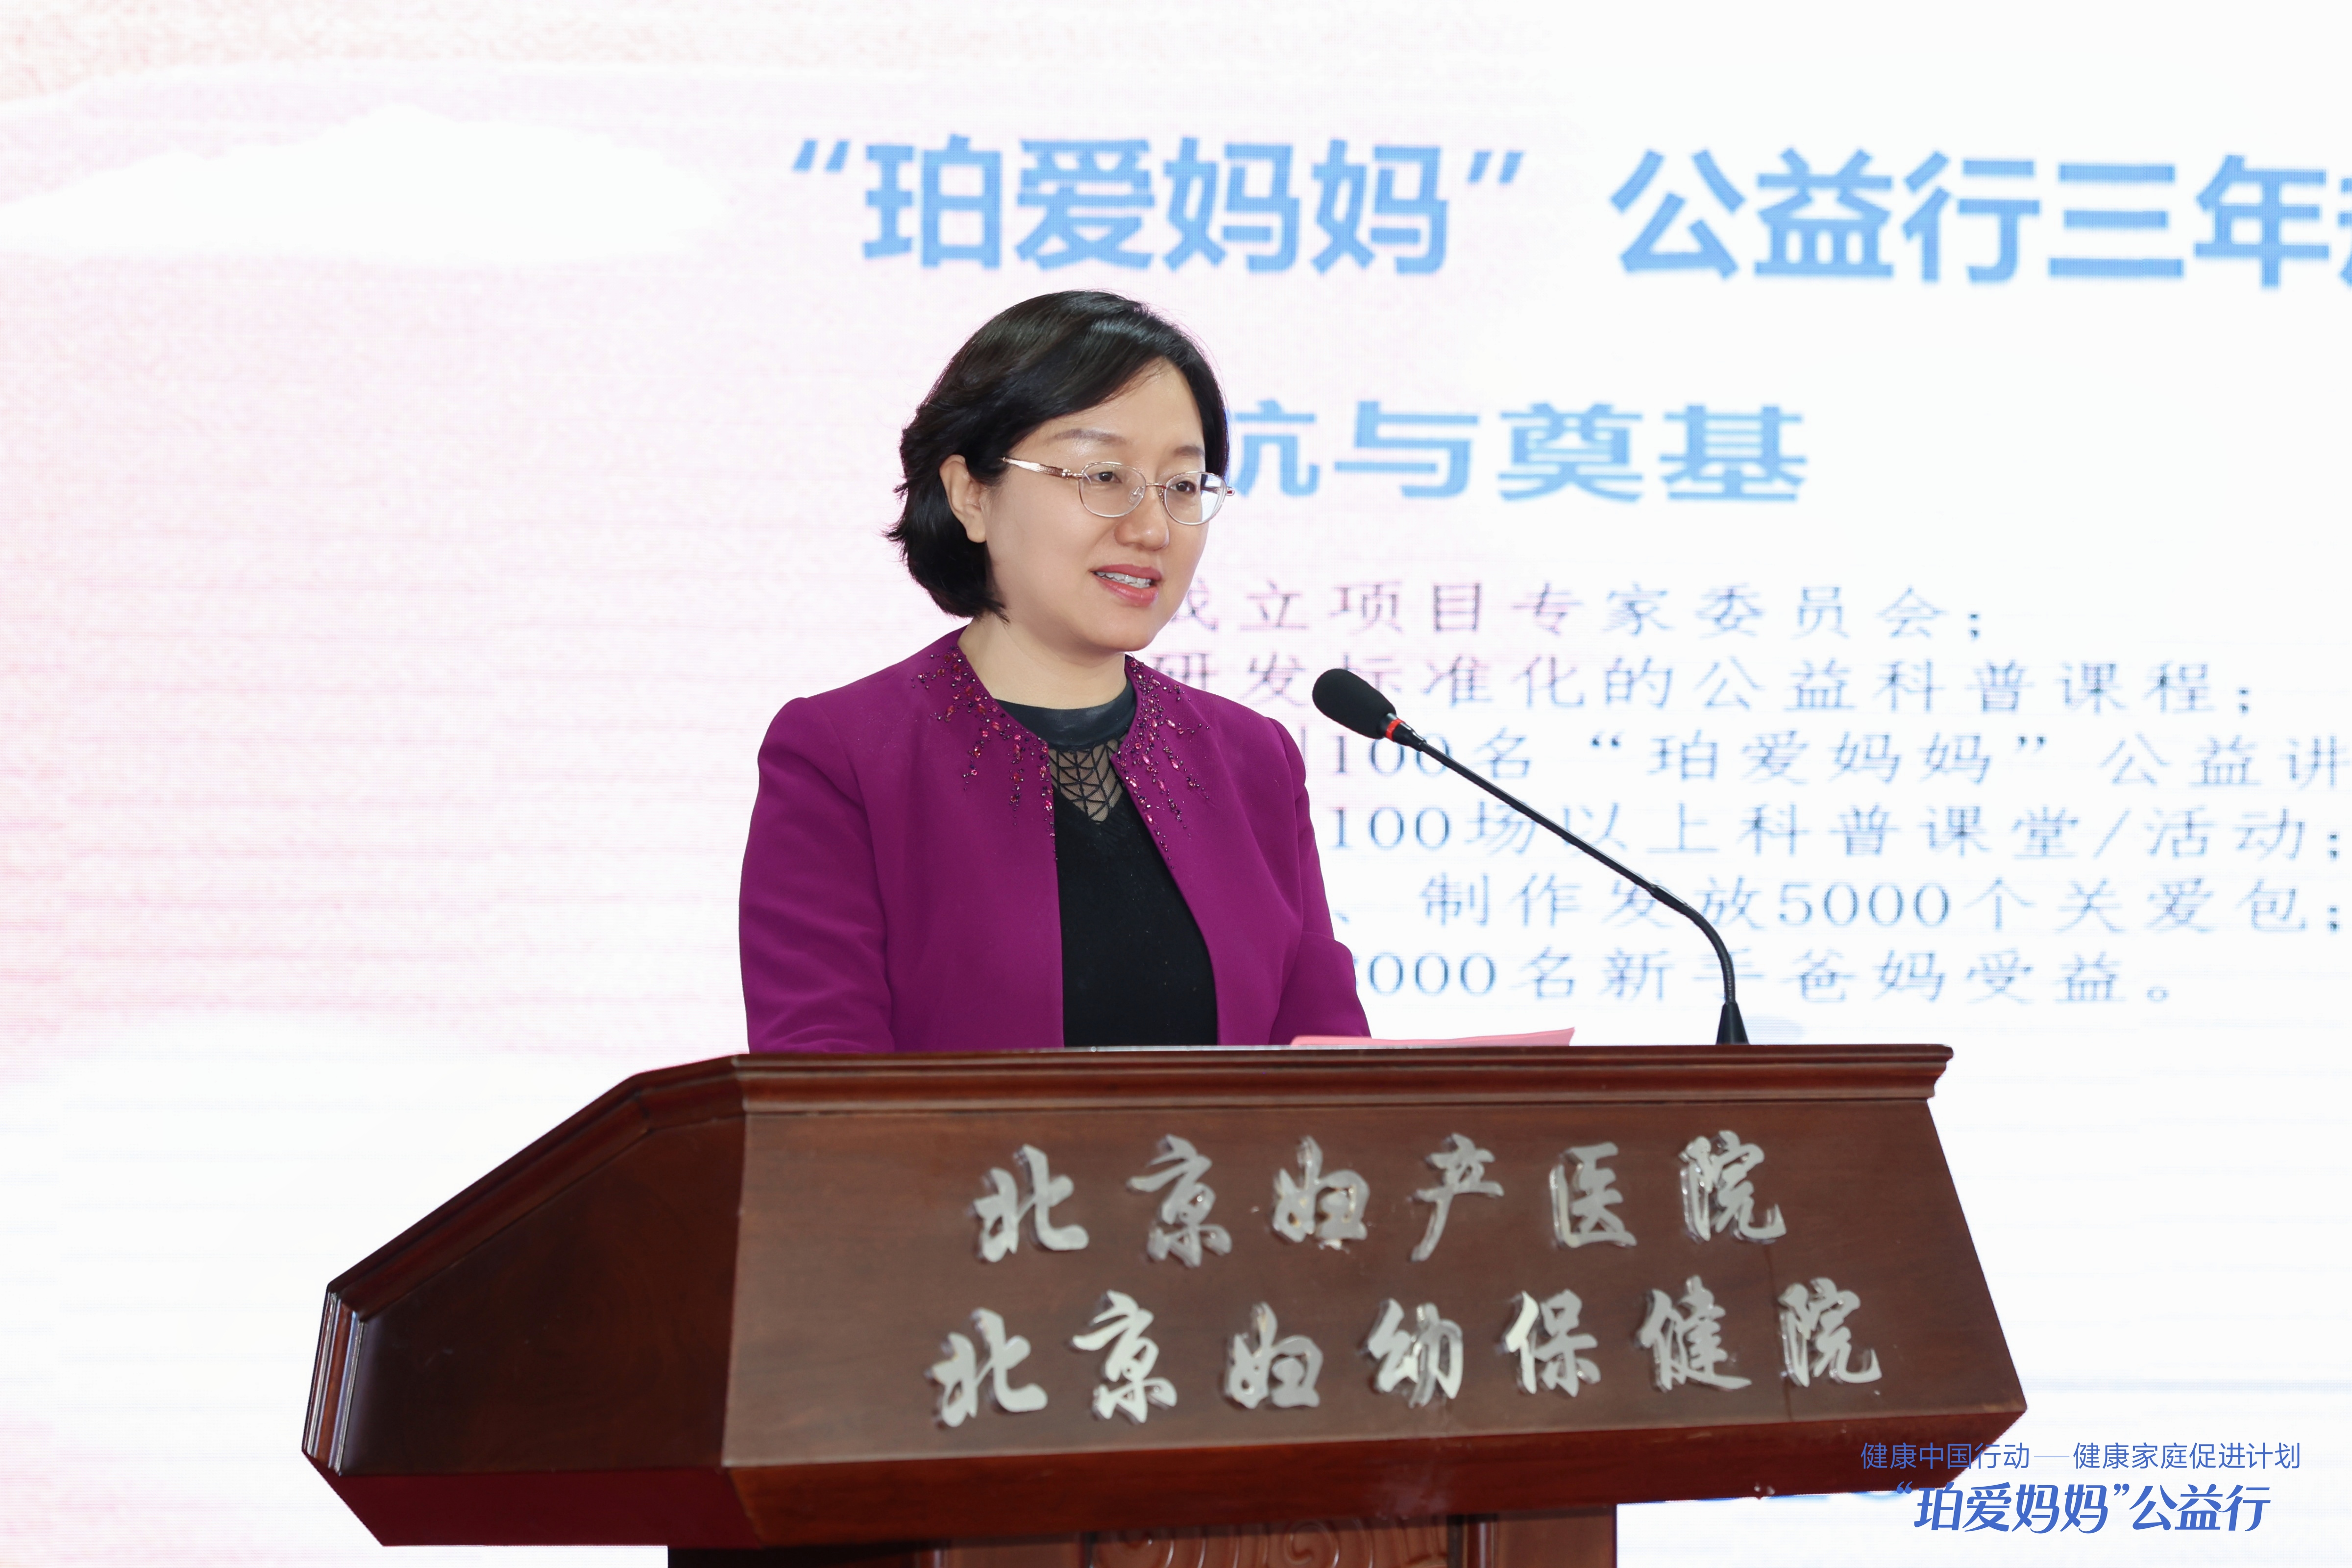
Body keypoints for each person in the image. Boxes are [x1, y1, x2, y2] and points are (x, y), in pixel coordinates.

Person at [739, 291, 1367, 1053]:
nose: (1151, 528)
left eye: (1181, 485)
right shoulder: (843, 757)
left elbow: (1330, 1069)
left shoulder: (1255, 762)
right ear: (971, 494)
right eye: (1103, 476)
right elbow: (818, 1083)